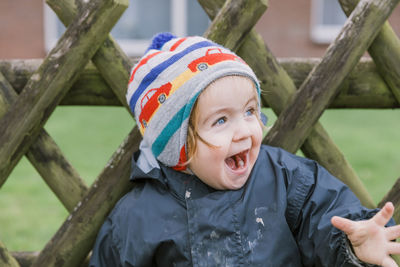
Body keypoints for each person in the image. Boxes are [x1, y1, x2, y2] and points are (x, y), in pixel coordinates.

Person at [89, 33, 400, 266]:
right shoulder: (136, 218)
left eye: (250, 111)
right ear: (177, 145)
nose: (244, 130)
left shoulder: (288, 181)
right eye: (221, 120)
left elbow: (330, 220)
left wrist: (354, 245)